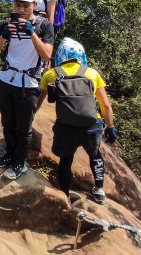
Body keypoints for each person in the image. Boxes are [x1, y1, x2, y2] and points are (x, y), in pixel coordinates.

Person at [36, 38, 116, 204]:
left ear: (60, 55)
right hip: (91, 126)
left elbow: (39, 100)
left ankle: (64, 195)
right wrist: (110, 127)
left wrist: (30, 115)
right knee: (95, 155)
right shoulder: (91, 73)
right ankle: (99, 190)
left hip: (66, 126)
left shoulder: (51, 74)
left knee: (66, 160)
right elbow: (106, 106)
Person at [0, 0, 54, 179]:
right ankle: (9, 155)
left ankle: (20, 162)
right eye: (18, 4)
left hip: (29, 84)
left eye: (25, 4)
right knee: (7, 121)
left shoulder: (44, 26)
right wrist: (4, 36)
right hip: (7, 79)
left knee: (24, 127)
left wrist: (31, 33)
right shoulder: (7, 24)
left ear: (34, 4)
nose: (21, 8)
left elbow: (46, 55)